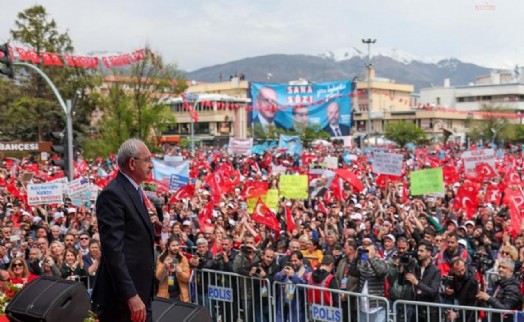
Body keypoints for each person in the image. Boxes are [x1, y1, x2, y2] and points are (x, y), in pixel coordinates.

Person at [92, 138, 155, 322]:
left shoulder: (136, 191)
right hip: (123, 301)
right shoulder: (113, 194)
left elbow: (135, 237)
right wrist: (131, 295)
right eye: (147, 160)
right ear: (132, 163)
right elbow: (113, 250)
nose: (151, 165)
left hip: (142, 292)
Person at [348, 243, 388, 322]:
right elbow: (352, 272)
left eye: (368, 250)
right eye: (365, 250)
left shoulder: (381, 262)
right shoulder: (362, 262)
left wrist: (370, 258)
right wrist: (355, 258)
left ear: (375, 252)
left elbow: (381, 272)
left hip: (376, 307)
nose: (366, 252)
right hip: (363, 307)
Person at [405, 242, 441, 322]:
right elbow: (404, 283)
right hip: (417, 309)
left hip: (431, 311)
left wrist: (417, 283)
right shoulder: (415, 267)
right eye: (418, 251)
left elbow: (433, 291)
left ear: (429, 253)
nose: (418, 253)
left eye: (421, 251)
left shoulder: (436, 270)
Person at [476, 258, 521, 322]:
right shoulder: (499, 283)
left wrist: (488, 298)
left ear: (511, 271)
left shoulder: (513, 287)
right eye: (499, 267)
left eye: (504, 267)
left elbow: (506, 309)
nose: (500, 269)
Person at [155, 236, 190, 302]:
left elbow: (187, 278)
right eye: (173, 246)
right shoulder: (161, 258)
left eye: (177, 245)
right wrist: (164, 268)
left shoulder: (182, 259)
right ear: (168, 247)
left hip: (180, 296)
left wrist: (180, 273)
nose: (176, 248)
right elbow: (158, 277)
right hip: (165, 296)